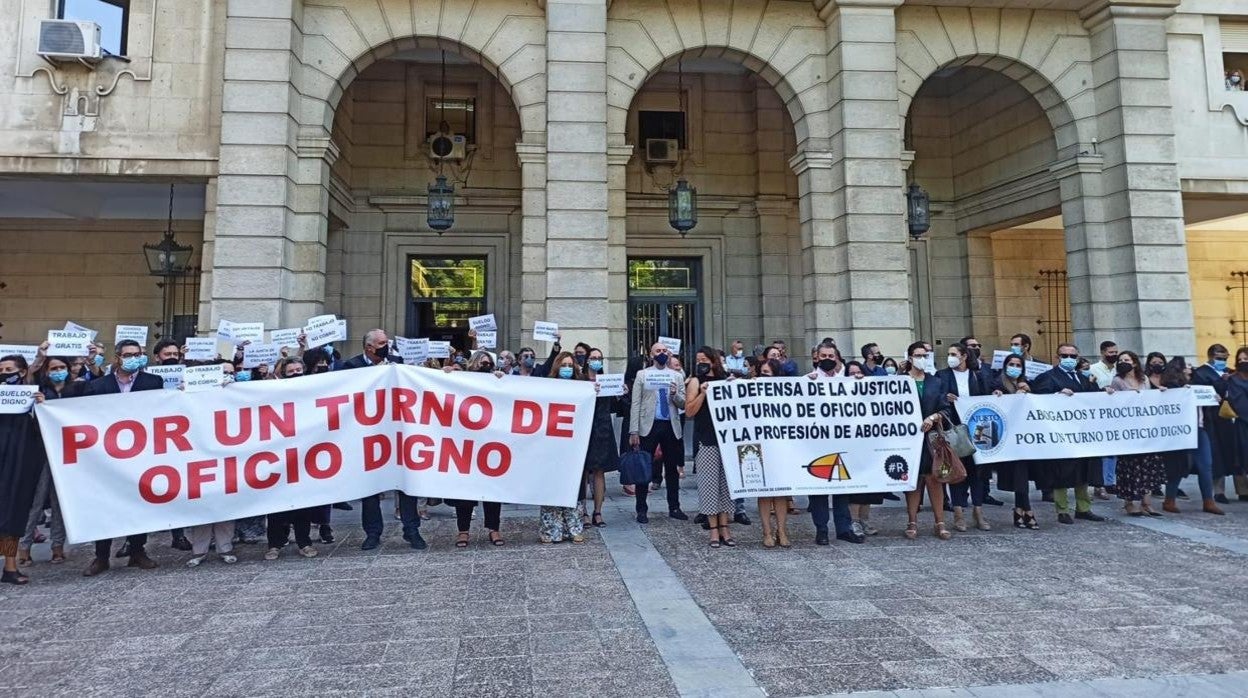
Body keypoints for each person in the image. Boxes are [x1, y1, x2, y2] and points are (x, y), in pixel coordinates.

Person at [334, 330, 425, 550]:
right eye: (383, 343)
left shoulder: (397, 362)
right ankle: (373, 533)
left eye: (387, 342)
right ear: (369, 347)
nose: (387, 346)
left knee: (405, 483)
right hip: (367, 434)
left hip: (396, 432)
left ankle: (412, 530)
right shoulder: (351, 366)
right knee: (370, 486)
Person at [82, 340, 165, 576]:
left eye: (137, 354)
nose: (134, 358)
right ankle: (101, 556)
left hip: (141, 451)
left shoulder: (153, 382)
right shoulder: (99, 385)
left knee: (140, 501)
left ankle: (138, 550)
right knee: (105, 504)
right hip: (106, 455)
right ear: (117, 357)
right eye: (128, 355)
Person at [17, 354, 82, 566]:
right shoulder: (37, 390)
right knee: (35, 502)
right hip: (41, 453)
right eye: (53, 368)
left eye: (62, 367)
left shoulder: (78, 390)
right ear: (46, 371)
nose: (58, 371)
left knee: (59, 501)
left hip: (67, 453)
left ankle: (57, 547)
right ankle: (23, 547)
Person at [1032, 343, 1105, 525]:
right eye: (1065, 356)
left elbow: (1093, 400)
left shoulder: (1084, 378)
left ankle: (1083, 508)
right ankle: (1062, 509)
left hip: (1082, 433)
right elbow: (1038, 399)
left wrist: (1105, 391)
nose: (1069, 359)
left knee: (1084, 471)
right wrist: (1056, 393)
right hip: (1060, 434)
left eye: (1073, 356)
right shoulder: (1047, 377)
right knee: (1061, 473)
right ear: (1057, 357)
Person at [807, 341, 864, 544]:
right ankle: (821, 529)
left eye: (831, 356)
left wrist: (861, 382)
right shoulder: (806, 381)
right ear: (816, 357)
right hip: (817, 444)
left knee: (842, 488)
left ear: (837, 357)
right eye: (823, 356)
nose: (827, 360)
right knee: (818, 490)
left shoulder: (848, 381)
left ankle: (844, 528)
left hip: (843, 442)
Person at [629, 342, 688, 523]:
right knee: (644, 467)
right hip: (649, 424)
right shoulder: (643, 374)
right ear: (651, 354)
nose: (661, 353)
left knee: (672, 468)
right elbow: (636, 403)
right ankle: (641, 509)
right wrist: (634, 430)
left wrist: (674, 395)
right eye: (658, 351)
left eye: (664, 351)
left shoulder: (676, 376)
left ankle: (674, 506)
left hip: (670, 424)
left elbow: (683, 403)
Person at [0, 355, 46, 585]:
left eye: (9, 369)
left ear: (20, 372)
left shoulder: (32, 396)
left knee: (13, 516)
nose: (4, 373)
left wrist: (41, 407)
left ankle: (10, 567)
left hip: (19, 462)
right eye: (1, 369)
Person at [685, 346, 735, 548]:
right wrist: (703, 394)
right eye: (698, 360)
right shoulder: (696, 382)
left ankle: (725, 527)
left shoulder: (726, 380)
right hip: (706, 439)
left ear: (713, 361)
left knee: (726, 486)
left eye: (704, 359)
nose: (701, 363)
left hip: (727, 440)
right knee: (709, 485)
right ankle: (713, 530)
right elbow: (689, 411)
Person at [939, 343, 992, 531]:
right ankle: (958, 512)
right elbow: (938, 397)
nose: (950, 357)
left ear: (963, 356)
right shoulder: (942, 375)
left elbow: (989, 394)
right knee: (957, 471)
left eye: (953, 354)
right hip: (954, 430)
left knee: (977, 472)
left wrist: (998, 392)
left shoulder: (979, 375)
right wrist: (946, 397)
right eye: (948, 353)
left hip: (978, 430)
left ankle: (978, 511)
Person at [1159, 358, 1221, 515]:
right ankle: (1169, 499)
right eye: (1187, 365)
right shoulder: (1171, 387)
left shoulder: (1196, 383)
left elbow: (1205, 402)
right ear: (1179, 369)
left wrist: (1214, 399)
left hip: (1199, 429)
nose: (1190, 367)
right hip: (1180, 431)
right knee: (1179, 465)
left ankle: (1209, 500)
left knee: (1206, 465)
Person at [1109, 351, 1165, 516]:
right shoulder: (1118, 380)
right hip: (1128, 429)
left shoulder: (1144, 379)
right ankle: (1129, 502)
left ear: (1134, 362)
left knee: (1147, 466)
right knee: (1130, 466)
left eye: (1126, 359)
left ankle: (1146, 502)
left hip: (1145, 429)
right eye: (1120, 360)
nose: (1123, 362)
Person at [904, 342, 951, 540]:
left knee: (934, 478)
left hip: (931, 438)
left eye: (925, 355)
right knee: (914, 479)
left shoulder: (935, 381)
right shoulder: (900, 381)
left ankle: (940, 522)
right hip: (908, 437)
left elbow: (945, 408)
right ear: (910, 358)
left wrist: (933, 418)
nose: (921, 359)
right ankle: (912, 521)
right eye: (918, 355)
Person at [539, 351, 587, 544]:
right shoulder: (547, 387)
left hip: (574, 445)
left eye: (570, 365)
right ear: (557, 367)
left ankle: (574, 528)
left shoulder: (582, 387)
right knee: (552, 485)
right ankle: (551, 530)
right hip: (552, 443)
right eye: (563, 365)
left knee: (573, 485)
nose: (567, 368)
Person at [991, 354, 1039, 529]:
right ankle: (1027, 510)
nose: (1014, 367)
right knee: (1019, 474)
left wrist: (1029, 392)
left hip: (1026, 437)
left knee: (1023, 475)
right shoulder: (998, 384)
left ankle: (1021, 510)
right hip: (1008, 438)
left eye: (1018, 365)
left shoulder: (1027, 383)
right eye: (1011, 364)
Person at [1192, 344, 1243, 503]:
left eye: (1225, 358)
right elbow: (1199, 393)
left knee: (1232, 452)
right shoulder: (1201, 373)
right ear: (1210, 357)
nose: (1222, 361)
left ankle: (1241, 488)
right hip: (1211, 419)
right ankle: (1218, 491)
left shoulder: (1229, 372)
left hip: (1231, 418)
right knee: (1216, 454)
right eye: (1219, 359)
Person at [752, 359, 791, 547]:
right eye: (762, 372)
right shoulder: (752, 388)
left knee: (781, 491)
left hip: (781, 446)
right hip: (761, 445)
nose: (764, 375)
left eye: (767, 372)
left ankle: (781, 531)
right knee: (765, 491)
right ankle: (766, 531)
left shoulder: (785, 390)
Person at [582, 347, 621, 527]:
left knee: (599, 472)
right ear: (587, 360)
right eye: (593, 357)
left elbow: (615, 407)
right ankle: (582, 512)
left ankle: (598, 512)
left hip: (602, 430)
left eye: (599, 358)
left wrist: (621, 395)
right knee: (582, 472)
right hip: (583, 430)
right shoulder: (579, 380)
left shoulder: (607, 381)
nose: (596, 360)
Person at [1088, 341, 1119, 500]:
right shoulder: (1093, 369)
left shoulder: (1118, 369)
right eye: (1110, 352)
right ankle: (1099, 485)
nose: (1114, 355)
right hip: (1099, 415)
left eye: (1115, 352)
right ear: (1102, 353)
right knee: (1101, 451)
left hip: (1117, 415)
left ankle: (1109, 481)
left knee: (1113, 451)